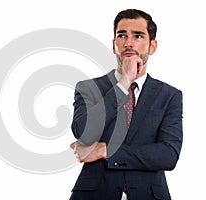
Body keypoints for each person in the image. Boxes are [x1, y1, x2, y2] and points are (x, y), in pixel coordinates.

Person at [69, 9, 183, 200]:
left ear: (152, 46)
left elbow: (168, 154)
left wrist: (105, 150)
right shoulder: (88, 88)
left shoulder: (169, 95)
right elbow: (84, 132)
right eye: (122, 35)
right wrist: (124, 83)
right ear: (114, 45)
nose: (128, 42)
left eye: (138, 36)